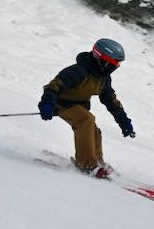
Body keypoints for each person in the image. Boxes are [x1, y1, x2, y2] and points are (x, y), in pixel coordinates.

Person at [38, 38, 135, 176]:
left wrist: (124, 122)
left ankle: (98, 162)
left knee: (95, 131)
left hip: (78, 106)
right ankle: (87, 164)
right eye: (113, 63)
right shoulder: (79, 71)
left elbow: (110, 100)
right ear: (101, 58)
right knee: (85, 120)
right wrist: (46, 104)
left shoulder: (103, 78)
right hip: (59, 103)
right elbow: (53, 86)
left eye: (117, 65)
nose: (114, 67)